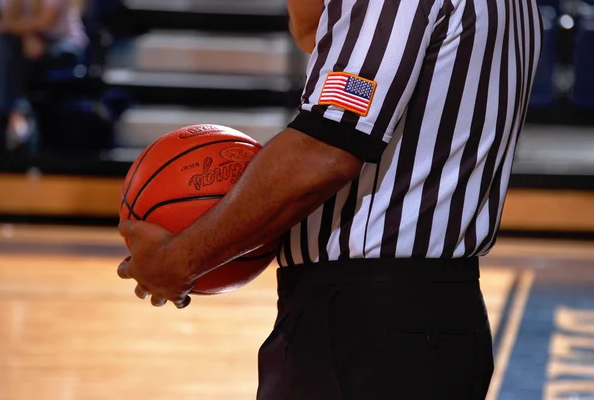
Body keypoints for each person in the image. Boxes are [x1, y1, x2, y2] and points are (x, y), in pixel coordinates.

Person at [116, 0, 543, 398]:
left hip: (371, 326)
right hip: (427, 317)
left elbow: (326, 151)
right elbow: (315, 34)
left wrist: (182, 259)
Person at [0, 0, 88, 154]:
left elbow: (46, 21)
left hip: (63, 44)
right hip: (21, 44)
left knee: (6, 54)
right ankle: (17, 114)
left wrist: (20, 32)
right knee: (3, 47)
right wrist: (27, 36)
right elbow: (8, 18)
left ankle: (15, 115)